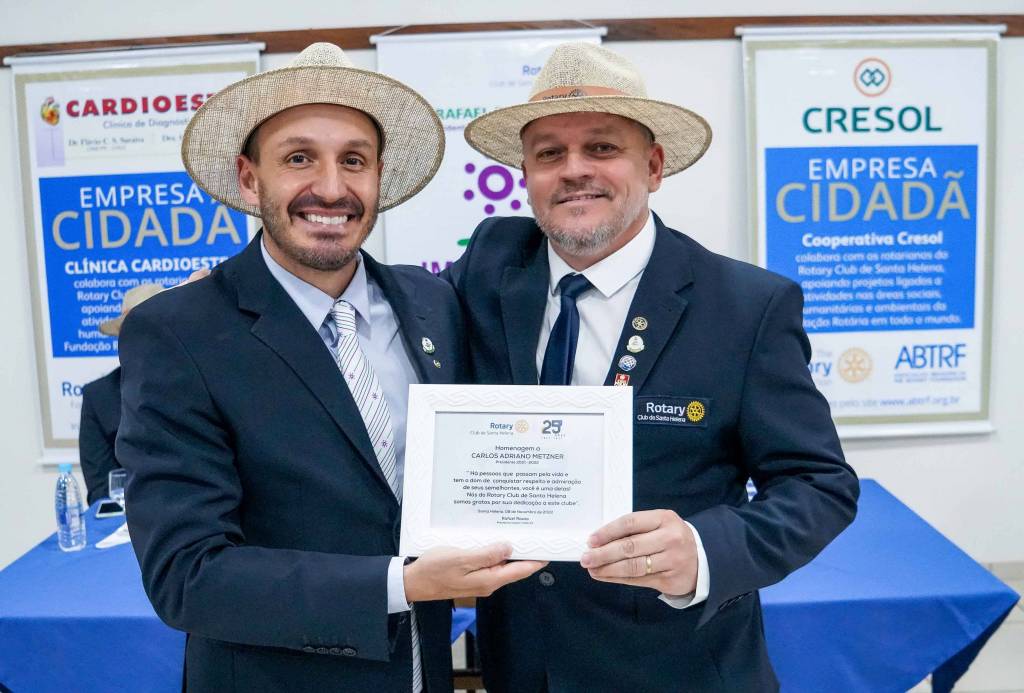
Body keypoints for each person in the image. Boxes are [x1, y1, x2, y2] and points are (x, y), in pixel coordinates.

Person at [116, 43, 544, 693]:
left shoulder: (431, 303)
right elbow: (188, 576)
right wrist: (401, 584)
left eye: (353, 160)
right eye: (298, 158)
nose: (332, 188)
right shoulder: (179, 332)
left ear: (378, 177)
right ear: (249, 179)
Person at [447, 42, 860, 691]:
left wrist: (702, 550)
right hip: (523, 665)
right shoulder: (490, 264)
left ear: (655, 165)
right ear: (525, 174)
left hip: (681, 667)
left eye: (602, 147)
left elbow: (819, 485)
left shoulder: (746, 307)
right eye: (549, 154)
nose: (574, 170)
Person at [78, 283, 164, 505]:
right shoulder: (98, 396)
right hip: (130, 516)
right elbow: (100, 489)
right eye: (131, 334)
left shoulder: (199, 386)